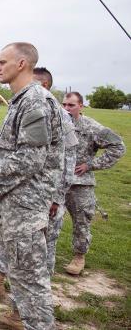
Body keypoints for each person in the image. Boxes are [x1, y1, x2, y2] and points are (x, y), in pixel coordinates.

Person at [0, 42, 63, 329]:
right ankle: (20, 319)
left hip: (28, 204)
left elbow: (30, 158)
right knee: (21, 272)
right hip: (18, 201)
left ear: (22, 64)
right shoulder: (23, 99)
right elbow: (13, 150)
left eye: (3, 62)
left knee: (30, 278)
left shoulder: (35, 101)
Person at [62, 91, 125, 275]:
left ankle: (79, 256)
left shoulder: (91, 127)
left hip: (80, 183)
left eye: (71, 105)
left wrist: (91, 165)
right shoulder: (57, 123)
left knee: (82, 221)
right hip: (56, 181)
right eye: (64, 104)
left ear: (81, 106)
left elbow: (118, 146)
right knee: (48, 219)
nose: (67, 108)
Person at [33, 67, 79, 277]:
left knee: (45, 248)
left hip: (50, 197)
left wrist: (57, 198)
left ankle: (42, 298)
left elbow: (69, 162)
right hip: (33, 193)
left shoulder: (62, 117)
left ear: (43, 86)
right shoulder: (33, 113)